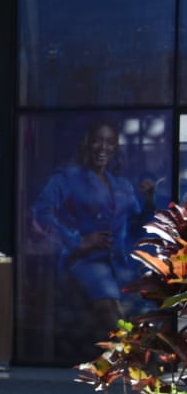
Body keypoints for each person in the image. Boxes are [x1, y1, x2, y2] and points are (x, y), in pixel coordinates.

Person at [31, 120, 152, 338]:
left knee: (138, 310)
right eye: (97, 141)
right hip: (84, 261)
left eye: (109, 142)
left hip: (119, 264)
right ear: (87, 143)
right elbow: (41, 212)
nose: (103, 147)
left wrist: (149, 200)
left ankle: (133, 358)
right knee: (111, 310)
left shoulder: (122, 185)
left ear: (115, 147)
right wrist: (78, 242)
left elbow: (136, 224)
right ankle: (136, 358)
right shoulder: (68, 178)